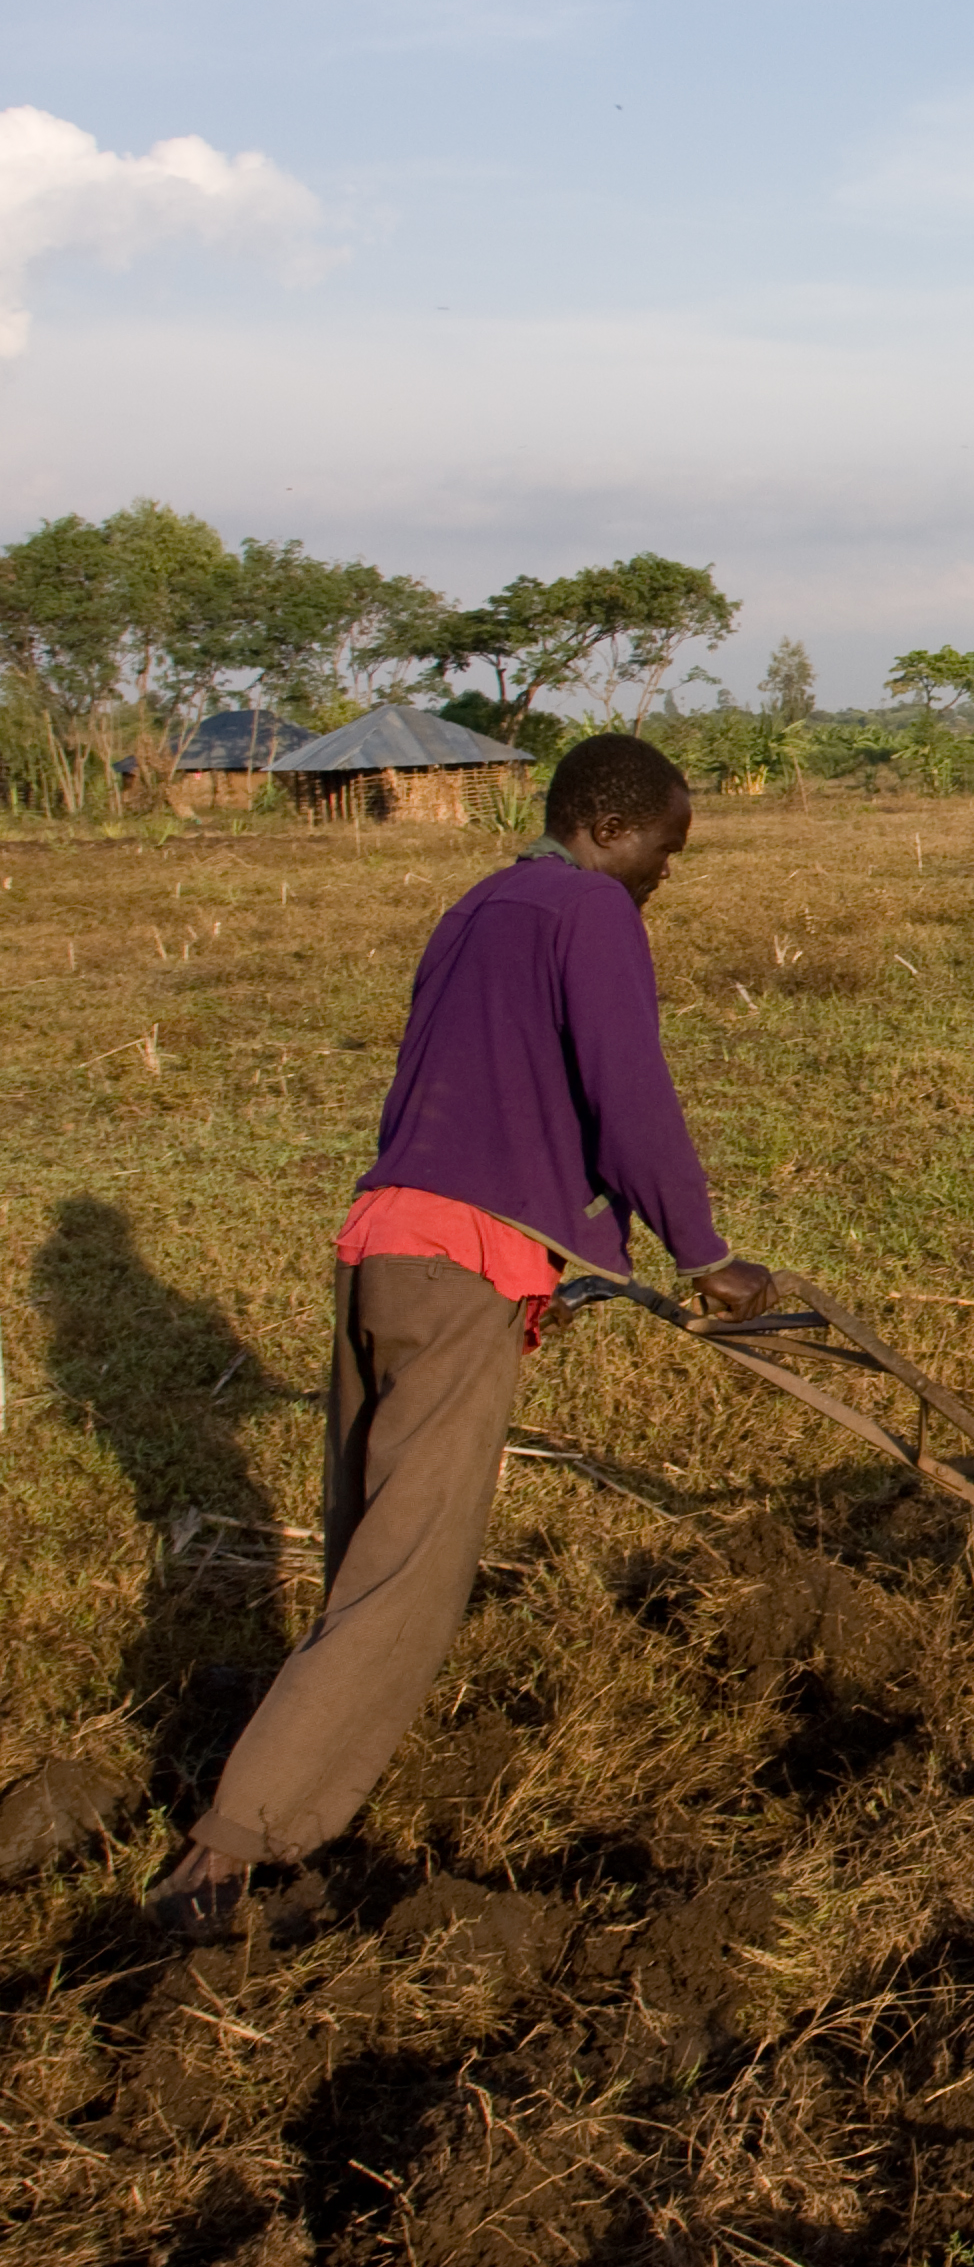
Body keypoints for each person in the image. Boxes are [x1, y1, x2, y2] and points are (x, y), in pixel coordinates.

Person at [147, 733, 773, 1939]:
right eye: (662, 851)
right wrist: (701, 1251)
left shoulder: (479, 906)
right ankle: (227, 1857)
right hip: (458, 1270)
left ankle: (298, 1766)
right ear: (608, 825)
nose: (662, 877)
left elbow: (481, 1093)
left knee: (367, 1542)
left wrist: (580, 1244)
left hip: (381, 1244)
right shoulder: (588, 911)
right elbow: (626, 1089)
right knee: (412, 1578)